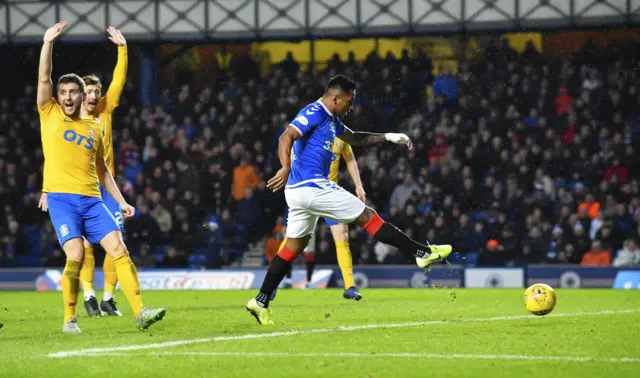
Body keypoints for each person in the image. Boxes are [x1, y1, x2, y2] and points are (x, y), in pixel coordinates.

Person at [246, 75, 452, 324]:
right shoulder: (314, 111)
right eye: (349, 101)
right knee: (368, 216)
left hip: (300, 193)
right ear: (335, 97)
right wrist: (285, 167)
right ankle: (421, 252)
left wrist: (387, 136)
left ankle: (260, 300)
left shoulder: (332, 120)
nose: (351, 106)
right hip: (312, 186)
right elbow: (285, 137)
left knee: (294, 246)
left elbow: (355, 138)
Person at [36, 21, 165, 333]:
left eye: (72, 93)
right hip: (63, 199)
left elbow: (104, 170)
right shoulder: (49, 112)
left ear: (82, 95)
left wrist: (121, 201)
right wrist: (47, 44)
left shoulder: (95, 127)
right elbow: (44, 77)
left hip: (93, 199)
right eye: (62, 92)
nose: (66, 97)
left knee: (119, 249)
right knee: (77, 254)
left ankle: (140, 312)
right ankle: (70, 318)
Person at [39, 26, 128, 318]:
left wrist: (122, 50)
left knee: (116, 244)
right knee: (83, 246)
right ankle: (88, 296)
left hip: (105, 184)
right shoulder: (67, 118)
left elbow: (119, 81)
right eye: (86, 91)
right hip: (76, 187)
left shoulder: (104, 111)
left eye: (95, 92)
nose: (91, 96)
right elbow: (56, 153)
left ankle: (108, 298)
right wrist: (46, 188)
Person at [276, 136, 366, 300]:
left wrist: (358, 185)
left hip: (330, 195)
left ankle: (350, 286)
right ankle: (273, 281)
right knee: (292, 239)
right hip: (308, 192)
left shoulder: (341, 134)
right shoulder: (307, 131)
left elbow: (350, 159)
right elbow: (288, 149)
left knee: (342, 236)